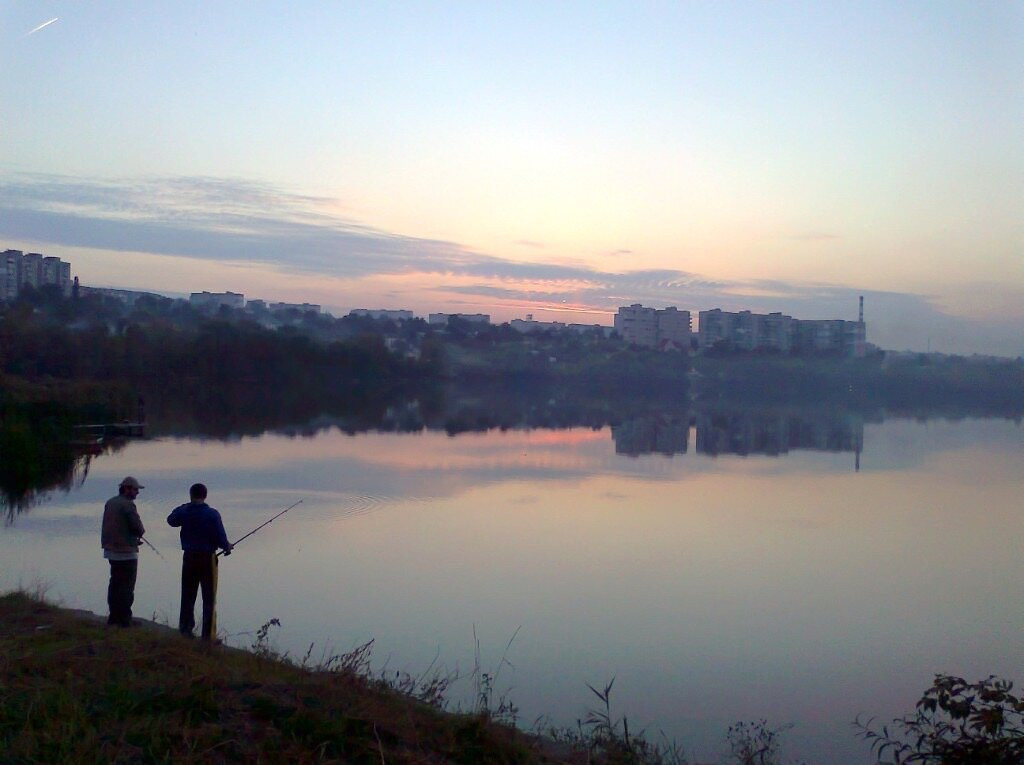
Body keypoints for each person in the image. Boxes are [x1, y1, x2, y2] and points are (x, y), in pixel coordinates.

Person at [166, 483, 232, 640]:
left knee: (188, 595)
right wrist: (227, 546)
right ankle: (207, 636)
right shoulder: (212, 514)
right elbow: (221, 538)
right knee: (209, 597)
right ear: (205, 495)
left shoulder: (184, 511)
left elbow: (171, 520)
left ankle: (185, 629)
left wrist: (185, 506)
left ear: (190, 495)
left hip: (189, 558)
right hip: (207, 559)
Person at [101, 476, 146, 627]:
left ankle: (114, 618)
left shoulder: (110, 502)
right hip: (126, 552)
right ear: (127, 489)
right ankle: (125, 619)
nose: (137, 493)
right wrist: (138, 535)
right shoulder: (128, 505)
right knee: (127, 587)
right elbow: (138, 528)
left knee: (115, 584)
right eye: (135, 490)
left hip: (110, 550)